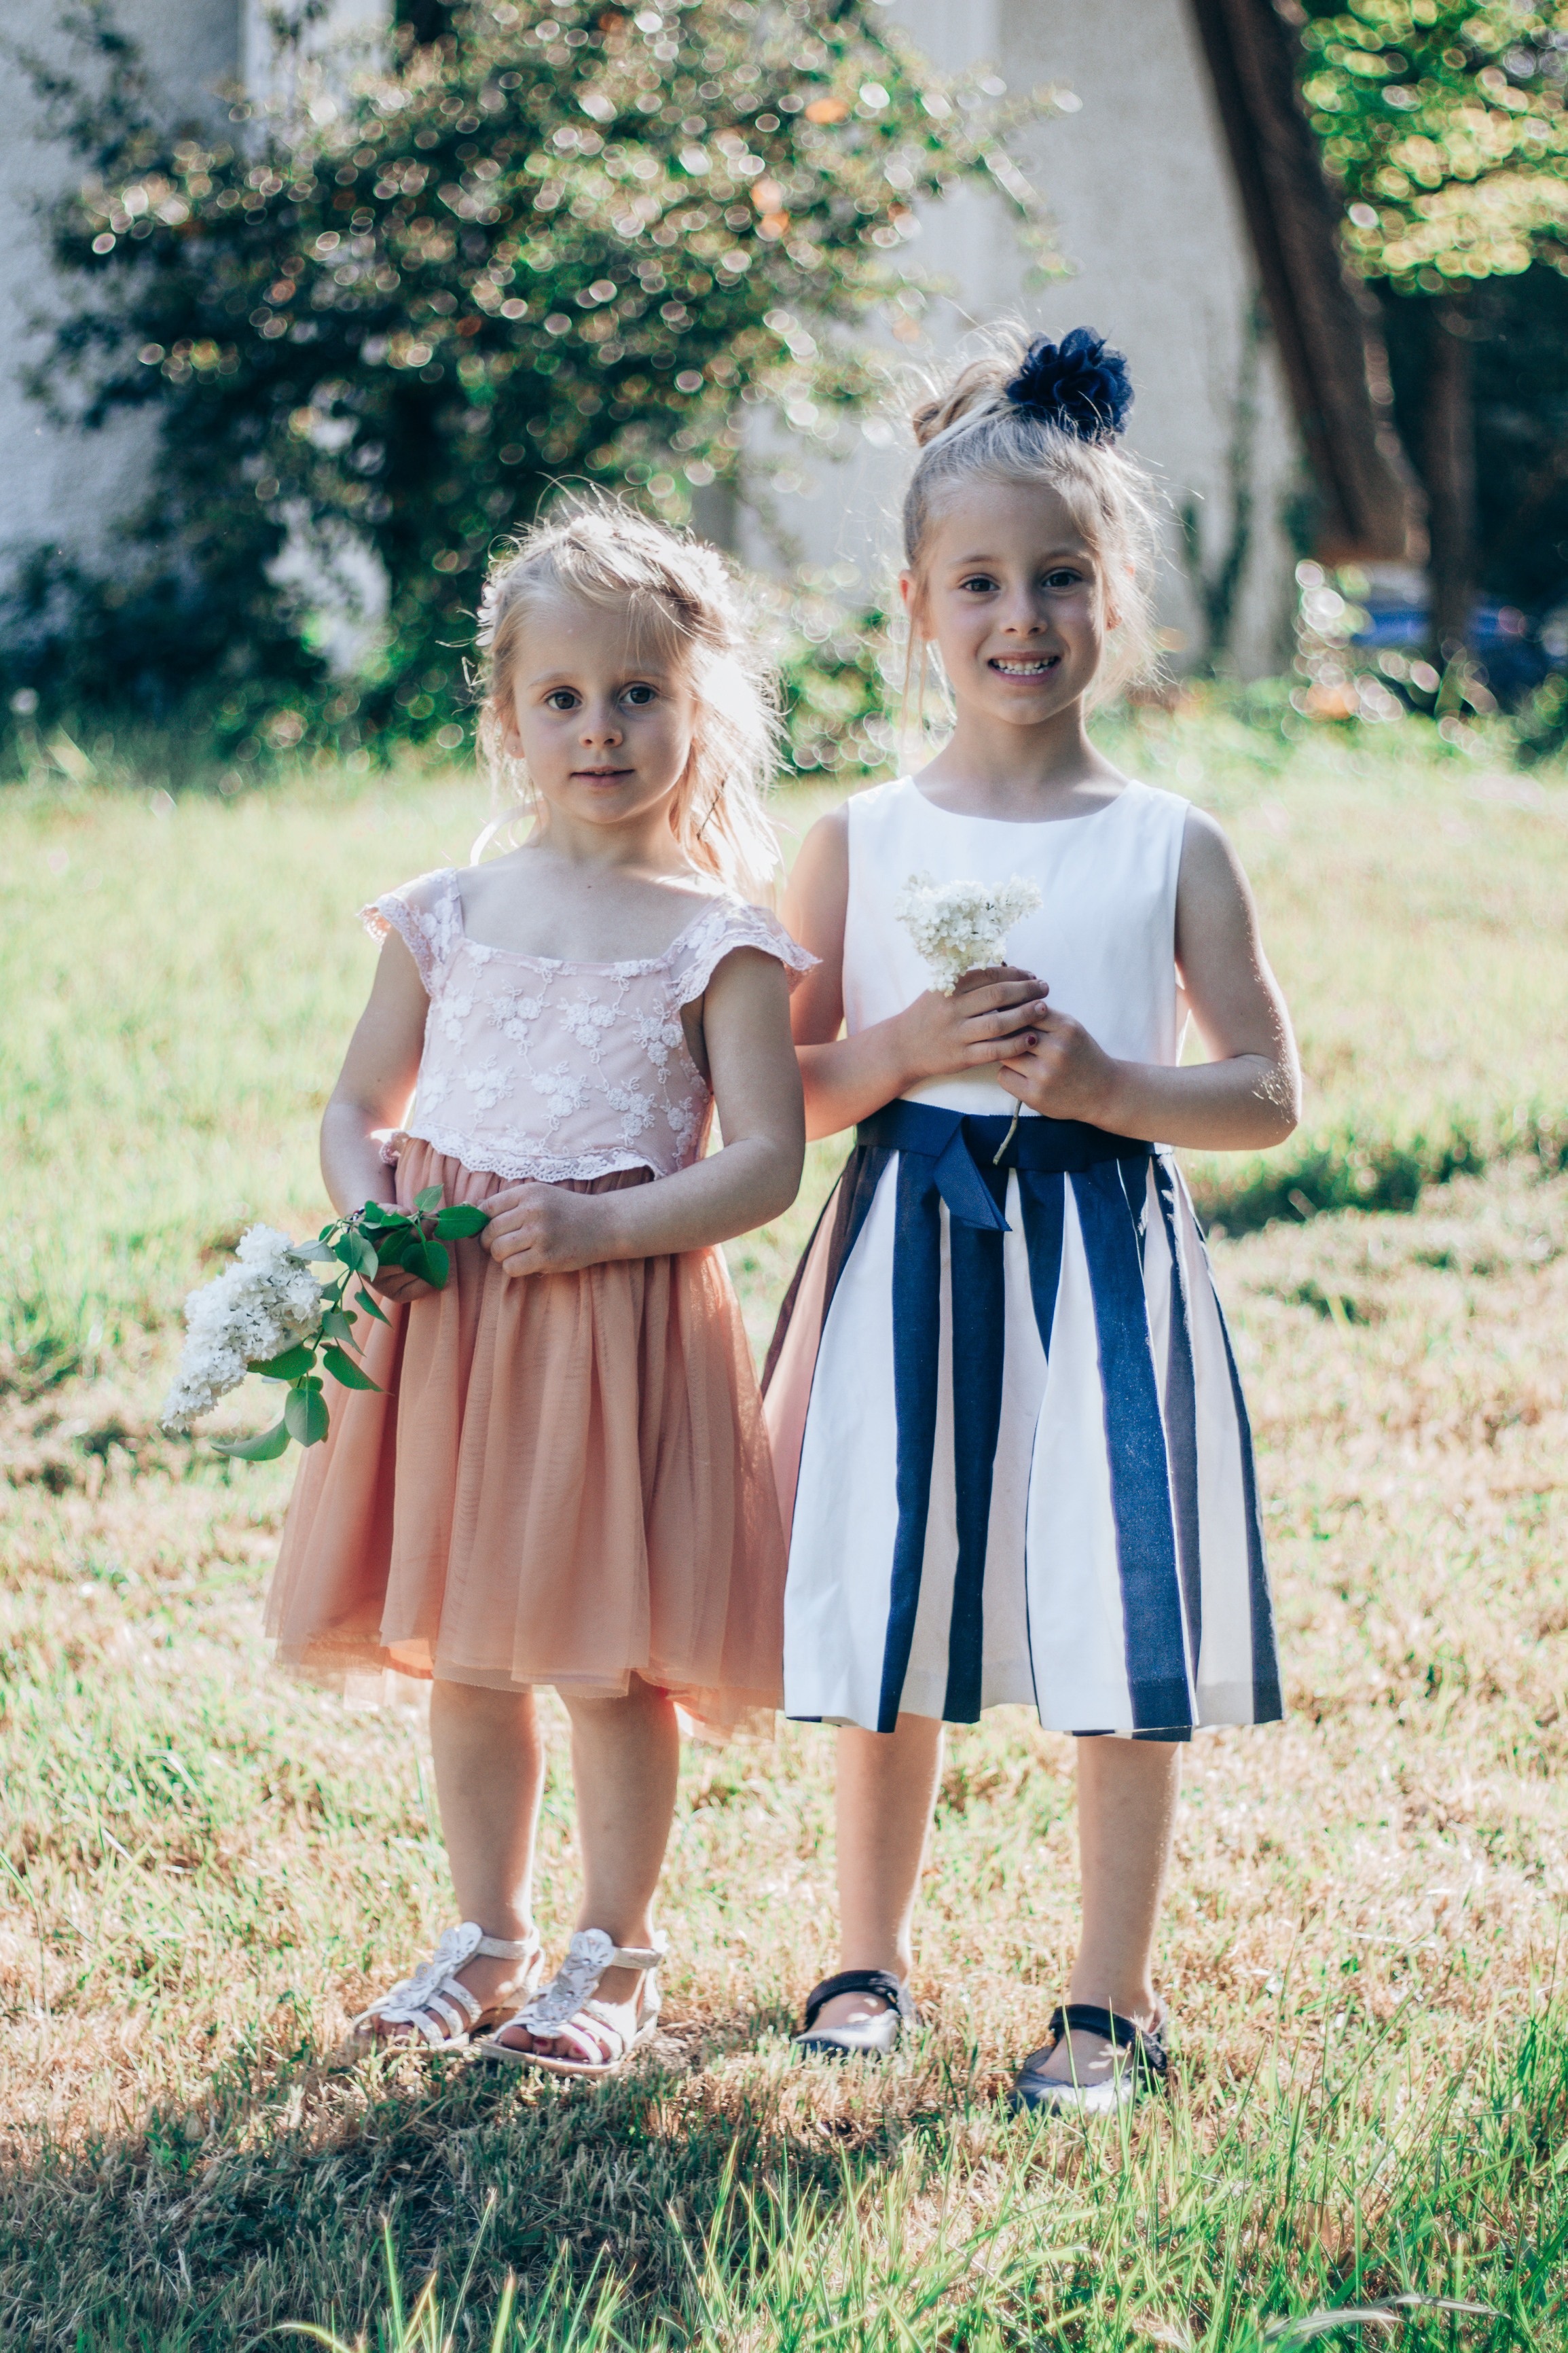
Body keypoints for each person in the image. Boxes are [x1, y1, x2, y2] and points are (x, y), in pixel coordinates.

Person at [764, 327, 1300, 2114]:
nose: (1023, 617)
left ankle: (1108, 1998)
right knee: (893, 1601)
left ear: (1113, 596)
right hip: (908, 1251)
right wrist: (903, 1049)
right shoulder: (859, 840)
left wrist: (1110, 1085)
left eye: (1060, 577)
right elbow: (778, 1093)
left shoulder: (1167, 843)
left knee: (1109, 1599)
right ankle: (864, 1959)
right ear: (916, 605)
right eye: (981, 583)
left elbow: (1265, 1093)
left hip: (1103, 1262)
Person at [266, 502, 810, 2075]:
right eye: (562, 697)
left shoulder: (720, 943)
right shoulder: (448, 913)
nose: (600, 729)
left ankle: (616, 1949)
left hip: (608, 1327)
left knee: (602, 1656)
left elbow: (767, 1161)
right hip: (449, 1320)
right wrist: (370, 1212)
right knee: (469, 1648)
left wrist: (599, 1228)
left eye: (639, 693)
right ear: (507, 715)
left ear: (701, 711)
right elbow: (356, 1105)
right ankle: (486, 1932)